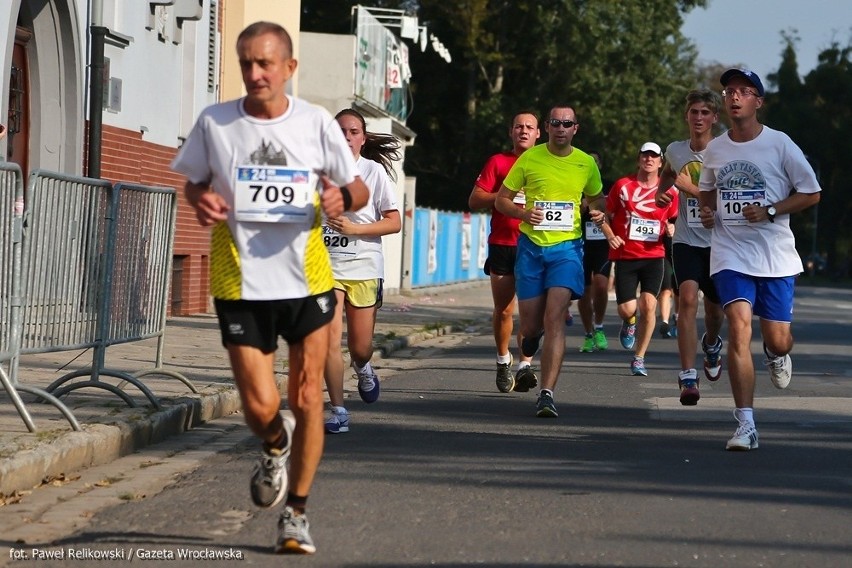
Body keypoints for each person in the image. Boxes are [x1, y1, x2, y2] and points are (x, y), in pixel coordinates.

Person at [171, 21, 369, 554]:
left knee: (307, 396)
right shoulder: (216, 122)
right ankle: (273, 443)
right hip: (239, 281)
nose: (255, 74)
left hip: (307, 281)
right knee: (260, 406)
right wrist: (199, 200)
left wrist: (342, 201)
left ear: (289, 68)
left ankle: (296, 514)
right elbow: (192, 179)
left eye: (265, 63)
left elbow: (355, 183)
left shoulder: (315, 124)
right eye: (246, 64)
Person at [698, 68, 820, 450]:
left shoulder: (780, 144)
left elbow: (811, 193)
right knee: (737, 327)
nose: (734, 97)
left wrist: (769, 211)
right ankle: (745, 424)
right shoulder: (716, 148)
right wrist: (706, 212)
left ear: (758, 101)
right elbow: (706, 192)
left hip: (775, 257)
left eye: (744, 91)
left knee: (778, 340)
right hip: (730, 252)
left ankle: (775, 354)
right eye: (729, 91)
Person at [494, 104, 604, 418]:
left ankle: (547, 393)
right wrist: (522, 212)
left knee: (555, 316)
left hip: (567, 249)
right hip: (531, 248)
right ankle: (532, 343)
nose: (560, 128)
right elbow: (502, 199)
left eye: (566, 123)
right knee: (530, 326)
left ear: (575, 129)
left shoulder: (585, 163)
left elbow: (598, 196)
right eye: (555, 122)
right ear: (548, 126)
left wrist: (598, 209)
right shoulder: (530, 158)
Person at [323, 108, 401, 433]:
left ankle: (364, 367)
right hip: (325, 266)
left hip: (364, 265)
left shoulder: (373, 173)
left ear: (362, 138)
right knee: (327, 339)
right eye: (340, 131)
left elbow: (394, 221)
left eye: (353, 132)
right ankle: (339, 411)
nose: (347, 137)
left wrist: (354, 230)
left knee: (359, 347)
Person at [655, 89, 726, 406]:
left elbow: (732, 198)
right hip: (685, 239)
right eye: (694, 112)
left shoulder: (726, 152)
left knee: (714, 310)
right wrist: (662, 191)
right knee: (686, 299)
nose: (698, 118)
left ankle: (711, 344)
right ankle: (687, 374)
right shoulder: (674, 150)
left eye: (704, 113)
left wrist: (693, 191)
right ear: (687, 116)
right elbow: (669, 174)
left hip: (721, 243)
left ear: (714, 118)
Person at [468, 111, 541, 393]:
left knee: (531, 311)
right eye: (518, 126)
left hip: (535, 244)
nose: (523, 131)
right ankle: (502, 361)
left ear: (538, 133)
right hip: (503, 243)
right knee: (504, 310)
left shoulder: (547, 164)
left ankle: (524, 365)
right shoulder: (498, 162)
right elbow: (474, 199)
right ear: (511, 132)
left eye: (529, 127)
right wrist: (505, 197)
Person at [603, 142, 679, 377]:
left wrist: (671, 228)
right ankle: (630, 322)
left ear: (660, 163)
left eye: (654, 156)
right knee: (627, 309)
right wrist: (610, 235)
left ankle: (639, 358)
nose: (649, 160)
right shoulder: (623, 186)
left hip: (654, 256)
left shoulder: (670, 191)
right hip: (627, 255)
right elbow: (605, 215)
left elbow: (675, 219)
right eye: (645, 155)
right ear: (638, 160)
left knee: (649, 304)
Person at [577, 150, 611, 353]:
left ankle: (599, 326)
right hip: (580, 243)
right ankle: (588, 333)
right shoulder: (576, 184)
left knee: (601, 285)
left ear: (599, 165)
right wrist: (580, 207)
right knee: (583, 291)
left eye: (595, 161)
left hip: (602, 243)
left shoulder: (608, 185)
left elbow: (615, 209)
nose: (592, 164)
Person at [657, 220, 678, 339]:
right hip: (662, 250)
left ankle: (677, 315)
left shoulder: (679, 205)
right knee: (665, 289)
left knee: (679, 288)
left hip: (680, 248)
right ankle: (665, 322)